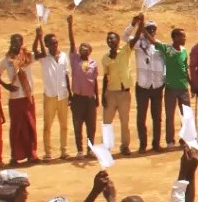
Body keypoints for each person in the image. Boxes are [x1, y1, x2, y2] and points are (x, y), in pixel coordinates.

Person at [0, 30, 43, 165]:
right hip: (15, 98)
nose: (14, 45)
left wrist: (37, 37)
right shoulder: (6, 60)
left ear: (21, 43)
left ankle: (32, 154)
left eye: (16, 42)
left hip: (28, 96)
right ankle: (15, 156)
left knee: (30, 126)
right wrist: (6, 86)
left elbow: (41, 54)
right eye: (12, 42)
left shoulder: (28, 56)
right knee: (16, 128)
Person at [102, 16, 141, 155]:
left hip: (124, 93)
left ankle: (125, 146)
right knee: (107, 122)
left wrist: (137, 23)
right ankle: (107, 146)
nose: (110, 41)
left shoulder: (125, 50)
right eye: (108, 39)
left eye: (112, 38)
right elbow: (105, 78)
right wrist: (103, 96)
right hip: (111, 93)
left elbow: (136, 37)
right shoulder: (105, 58)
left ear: (118, 40)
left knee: (125, 122)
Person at [65, 14, 100, 157]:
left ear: (90, 51)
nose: (82, 48)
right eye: (81, 47)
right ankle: (80, 150)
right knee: (77, 125)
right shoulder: (75, 60)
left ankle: (90, 149)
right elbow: (72, 43)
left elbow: (95, 81)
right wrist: (70, 25)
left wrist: (97, 97)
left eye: (85, 47)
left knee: (91, 126)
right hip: (78, 98)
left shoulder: (93, 64)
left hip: (90, 98)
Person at [132, 19, 168, 153]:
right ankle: (143, 144)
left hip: (157, 85)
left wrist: (164, 80)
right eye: (148, 28)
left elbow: (165, 64)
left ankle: (156, 144)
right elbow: (125, 37)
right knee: (141, 117)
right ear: (143, 30)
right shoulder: (137, 43)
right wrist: (135, 25)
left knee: (157, 117)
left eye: (153, 29)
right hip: (143, 85)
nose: (152, 31)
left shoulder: (159, 45)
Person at [38, 30, 71, 161]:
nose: (55, 45)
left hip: (63, 95)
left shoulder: (63, 56)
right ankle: (48, 152)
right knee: (48, 126)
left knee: (64, 125)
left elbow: (67, 74)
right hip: (50, 95)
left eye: (56, 42)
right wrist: (38, 37)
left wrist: (70, 93)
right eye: (52, 43)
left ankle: (64, 151)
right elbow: (36, 49)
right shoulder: (44, 57)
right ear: (46, 45)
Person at [157, 27, 191, 150]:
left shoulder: (184, 51)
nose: (185, 38)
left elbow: (185, 68)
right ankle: (170, 140)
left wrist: (191, 83)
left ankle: (185, 138)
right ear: (175, 37)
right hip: (170, 88)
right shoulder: (167, 49)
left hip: (183, 88)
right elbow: (153, 41)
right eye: (182, 36)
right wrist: (142, 27)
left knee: (186, 115)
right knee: (170, 116)